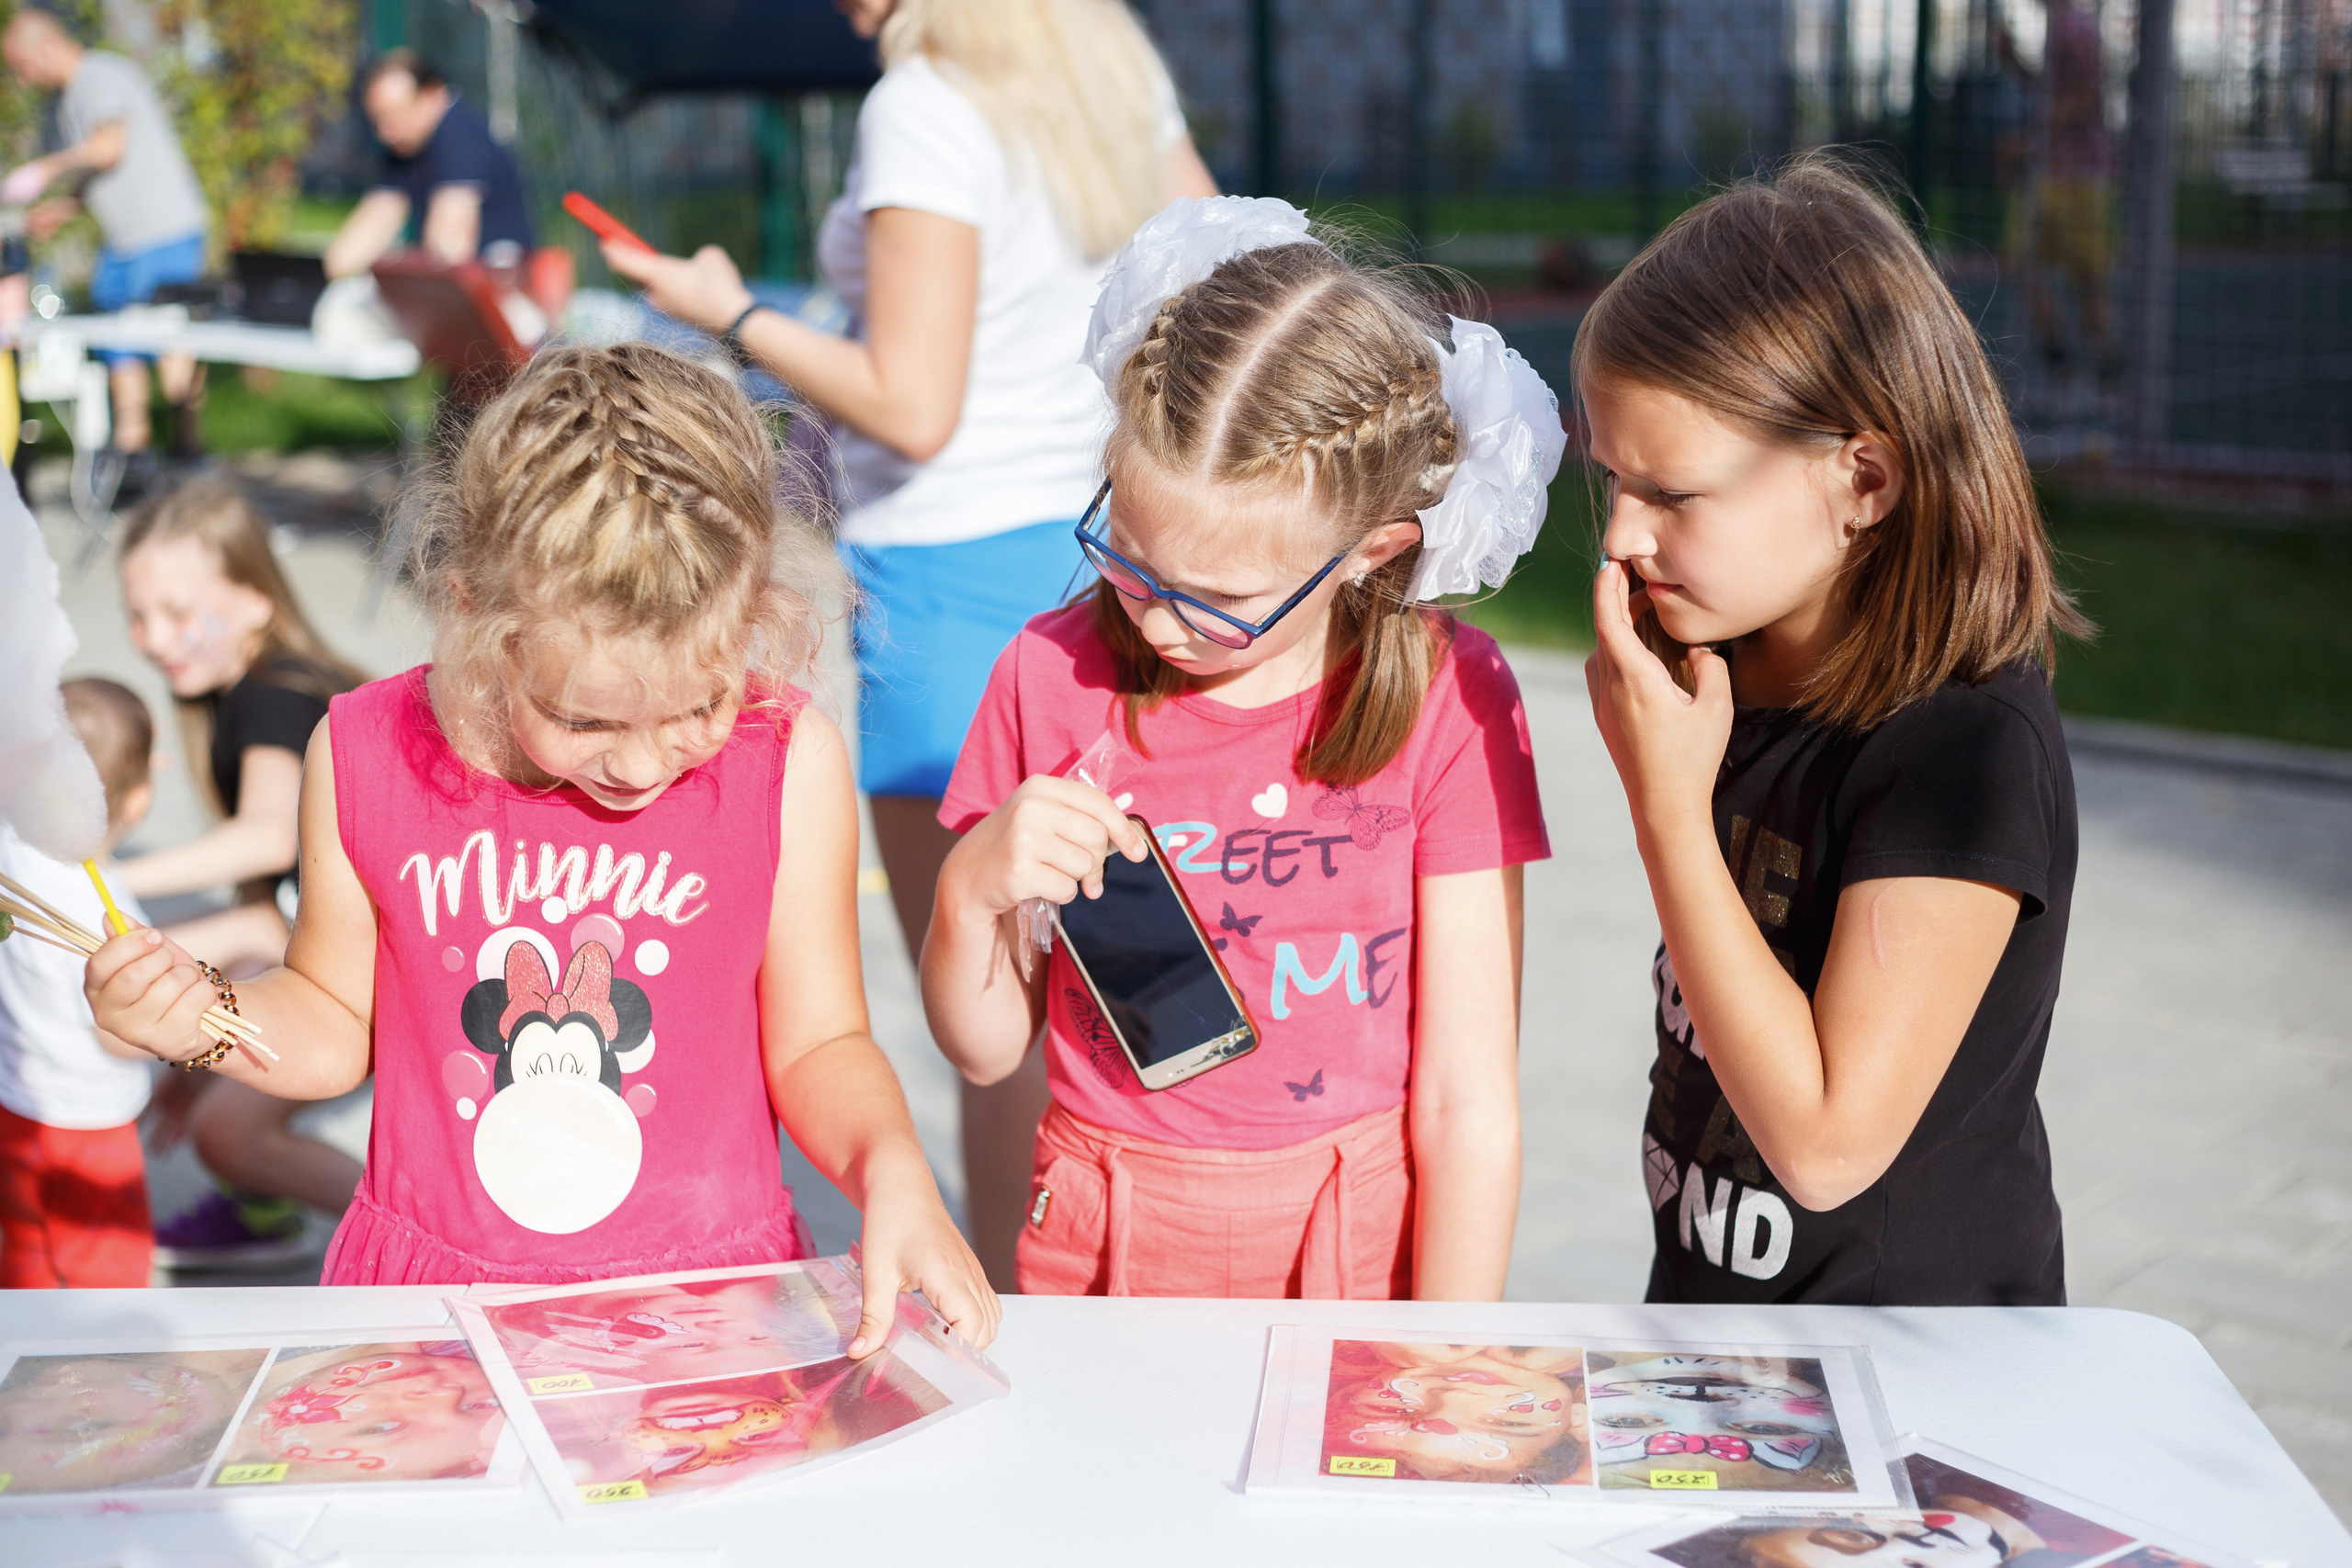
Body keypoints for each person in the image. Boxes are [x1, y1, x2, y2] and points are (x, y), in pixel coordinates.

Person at [85, 344, 997, 1359]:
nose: (644, 765)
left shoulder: (787, 760)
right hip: (433, 1302)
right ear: (477, 616)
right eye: (585, 720)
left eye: (699, 703)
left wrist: (894, 1170)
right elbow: (336, 1023)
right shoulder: (362, 751)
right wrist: (201, 1016)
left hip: (704, 1298)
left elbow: (819, 1043)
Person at [602, 0, 1218, 1287]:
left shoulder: (925, 104)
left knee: (992, 1018)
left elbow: (914, 405)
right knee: (1120, 987)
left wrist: (730, 311)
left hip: (950, 592)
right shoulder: (1105, 63)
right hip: (1105, 563)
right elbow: (1221, 273)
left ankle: (1012, 1303)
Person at [921, 197, 1560, 1300]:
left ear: (1372, 551)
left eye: (1220, 598)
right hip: (1100, 1223)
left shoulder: (1449, 700)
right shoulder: (1047, 674)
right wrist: (969, 889)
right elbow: (984, 1052)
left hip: (1352, 1235)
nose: (1157, 620)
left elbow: (1467, 1097)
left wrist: (1446, 1354)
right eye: (1126, 552)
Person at [1576, 154, 2090, 1307]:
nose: (1619, 536)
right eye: (1610, 479)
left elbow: (1822, 1146)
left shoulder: (1962, 745)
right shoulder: (1728, 670)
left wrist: (1666, 811)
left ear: (1863, 477)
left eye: (1673, 493)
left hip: (1911, 1386)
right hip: (1727, 1342)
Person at [113, 477, 368, 1270]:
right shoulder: (245, 691)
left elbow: (262, 841)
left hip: (385, 964)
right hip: (339, 952)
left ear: (257, 599)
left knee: (227, 1129)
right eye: (139, 615)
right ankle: (264, 1206)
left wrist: (114, 875)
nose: (157, 637)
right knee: (204, 1078)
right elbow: (275, 904)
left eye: (180, 612)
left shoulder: (277, 693)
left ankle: (420, 1244)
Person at [0, 3, 209, 498]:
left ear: (45, 48)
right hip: (123, 241)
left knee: (170, 338)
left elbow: (109, 147)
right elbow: (99, 167)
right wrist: (65, 203)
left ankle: (190, 453)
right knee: (118, 341)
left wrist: (47, 171)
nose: (23, 80)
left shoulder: (99, 76)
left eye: (22, 67)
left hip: (164, 230)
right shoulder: (63, 101)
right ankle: (133, 455)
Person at [0, 679, 157, 1288]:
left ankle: (30, 1369)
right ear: (137, 801)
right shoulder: (109, 910)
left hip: (16, 1102)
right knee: (104, 1274)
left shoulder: (11, 854)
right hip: (92, 1126)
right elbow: (120, 1033)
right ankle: (103, 1378)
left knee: (25, 1250)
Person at [324, 50, 535, 281]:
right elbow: (360, 238)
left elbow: (448, 254)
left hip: (503, 294)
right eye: (378, 119)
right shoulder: (407, 146)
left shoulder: (459, 136)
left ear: (432, 95)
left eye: (396, 114)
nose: (385, 132)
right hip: (458, 294)